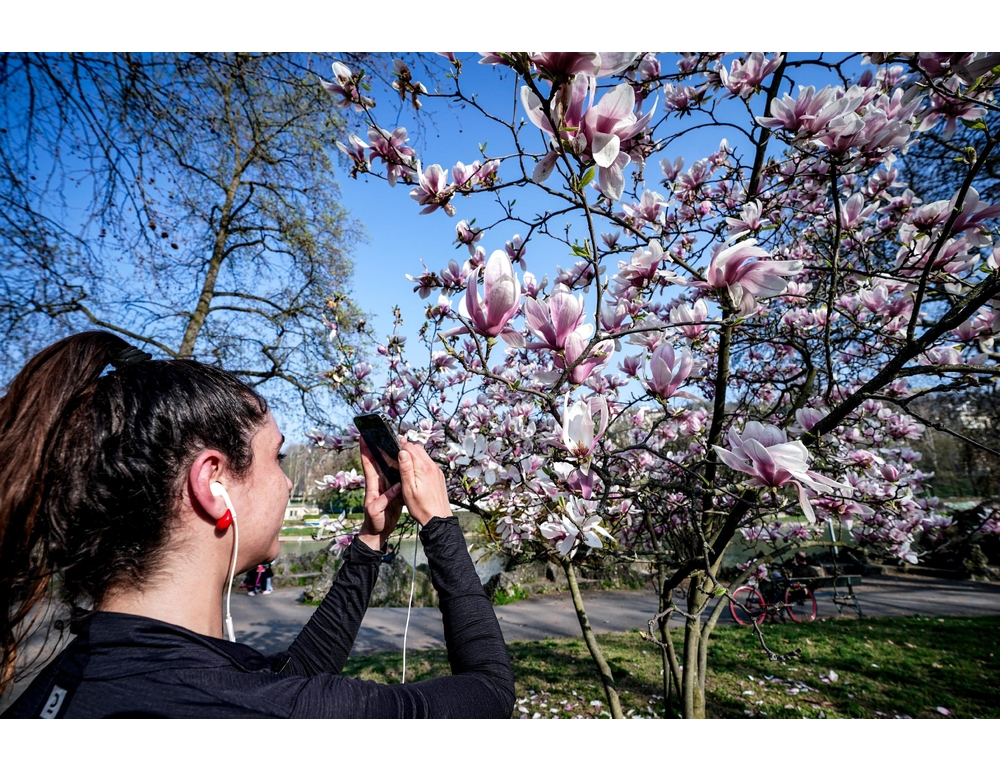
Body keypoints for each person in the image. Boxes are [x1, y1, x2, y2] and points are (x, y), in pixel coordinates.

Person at [0, 332, 513, 718]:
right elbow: (490, 691)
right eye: (278, 457)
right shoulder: (273, 715)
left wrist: (372, 539)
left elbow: (287, 677)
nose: (288, 482)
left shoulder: (62, 684)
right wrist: (441, 523)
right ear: (212, 482)